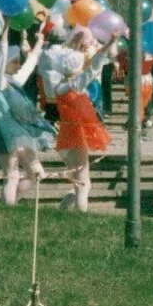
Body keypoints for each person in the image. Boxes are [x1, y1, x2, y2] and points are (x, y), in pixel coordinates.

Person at [0, 21, 54, 206]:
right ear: (6, 62)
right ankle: (9, 209)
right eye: (15, 61)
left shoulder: (15, 81)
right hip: (4, 134)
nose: (18, 65)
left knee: (37, 173)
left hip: (21, 136)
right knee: (12, 175)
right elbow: (1, 54)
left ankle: (9, 203)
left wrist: (40, 42)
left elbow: (30, 63)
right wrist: (6, 29)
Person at [49, 29, 115, 212]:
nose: (82, 67)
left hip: (66, 137)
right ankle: (81, 214)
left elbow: (68, 60)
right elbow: (93, 68)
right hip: (76, 137)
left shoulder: (60, 85)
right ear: (75, 69)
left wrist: (75, 44)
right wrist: (109, 44)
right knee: (83, 183)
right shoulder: (76, 85)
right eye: (79, 65)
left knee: (80, 182)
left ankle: (61, 210)